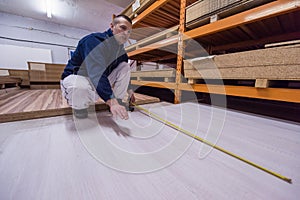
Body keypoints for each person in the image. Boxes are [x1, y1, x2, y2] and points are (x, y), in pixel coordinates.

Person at [61, 14, 135, 119]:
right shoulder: (93, 41)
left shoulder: (121, 52)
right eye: (122, 28)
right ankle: (80, 107)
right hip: (78, 78)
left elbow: (124, 72)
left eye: (128, 32)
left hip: (98, 82)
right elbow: (97, 72)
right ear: (112, 26)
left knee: (124, 66)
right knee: (79, 87)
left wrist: (130, 90)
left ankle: (118, 102)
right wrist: (111, 101)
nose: (125, 34)